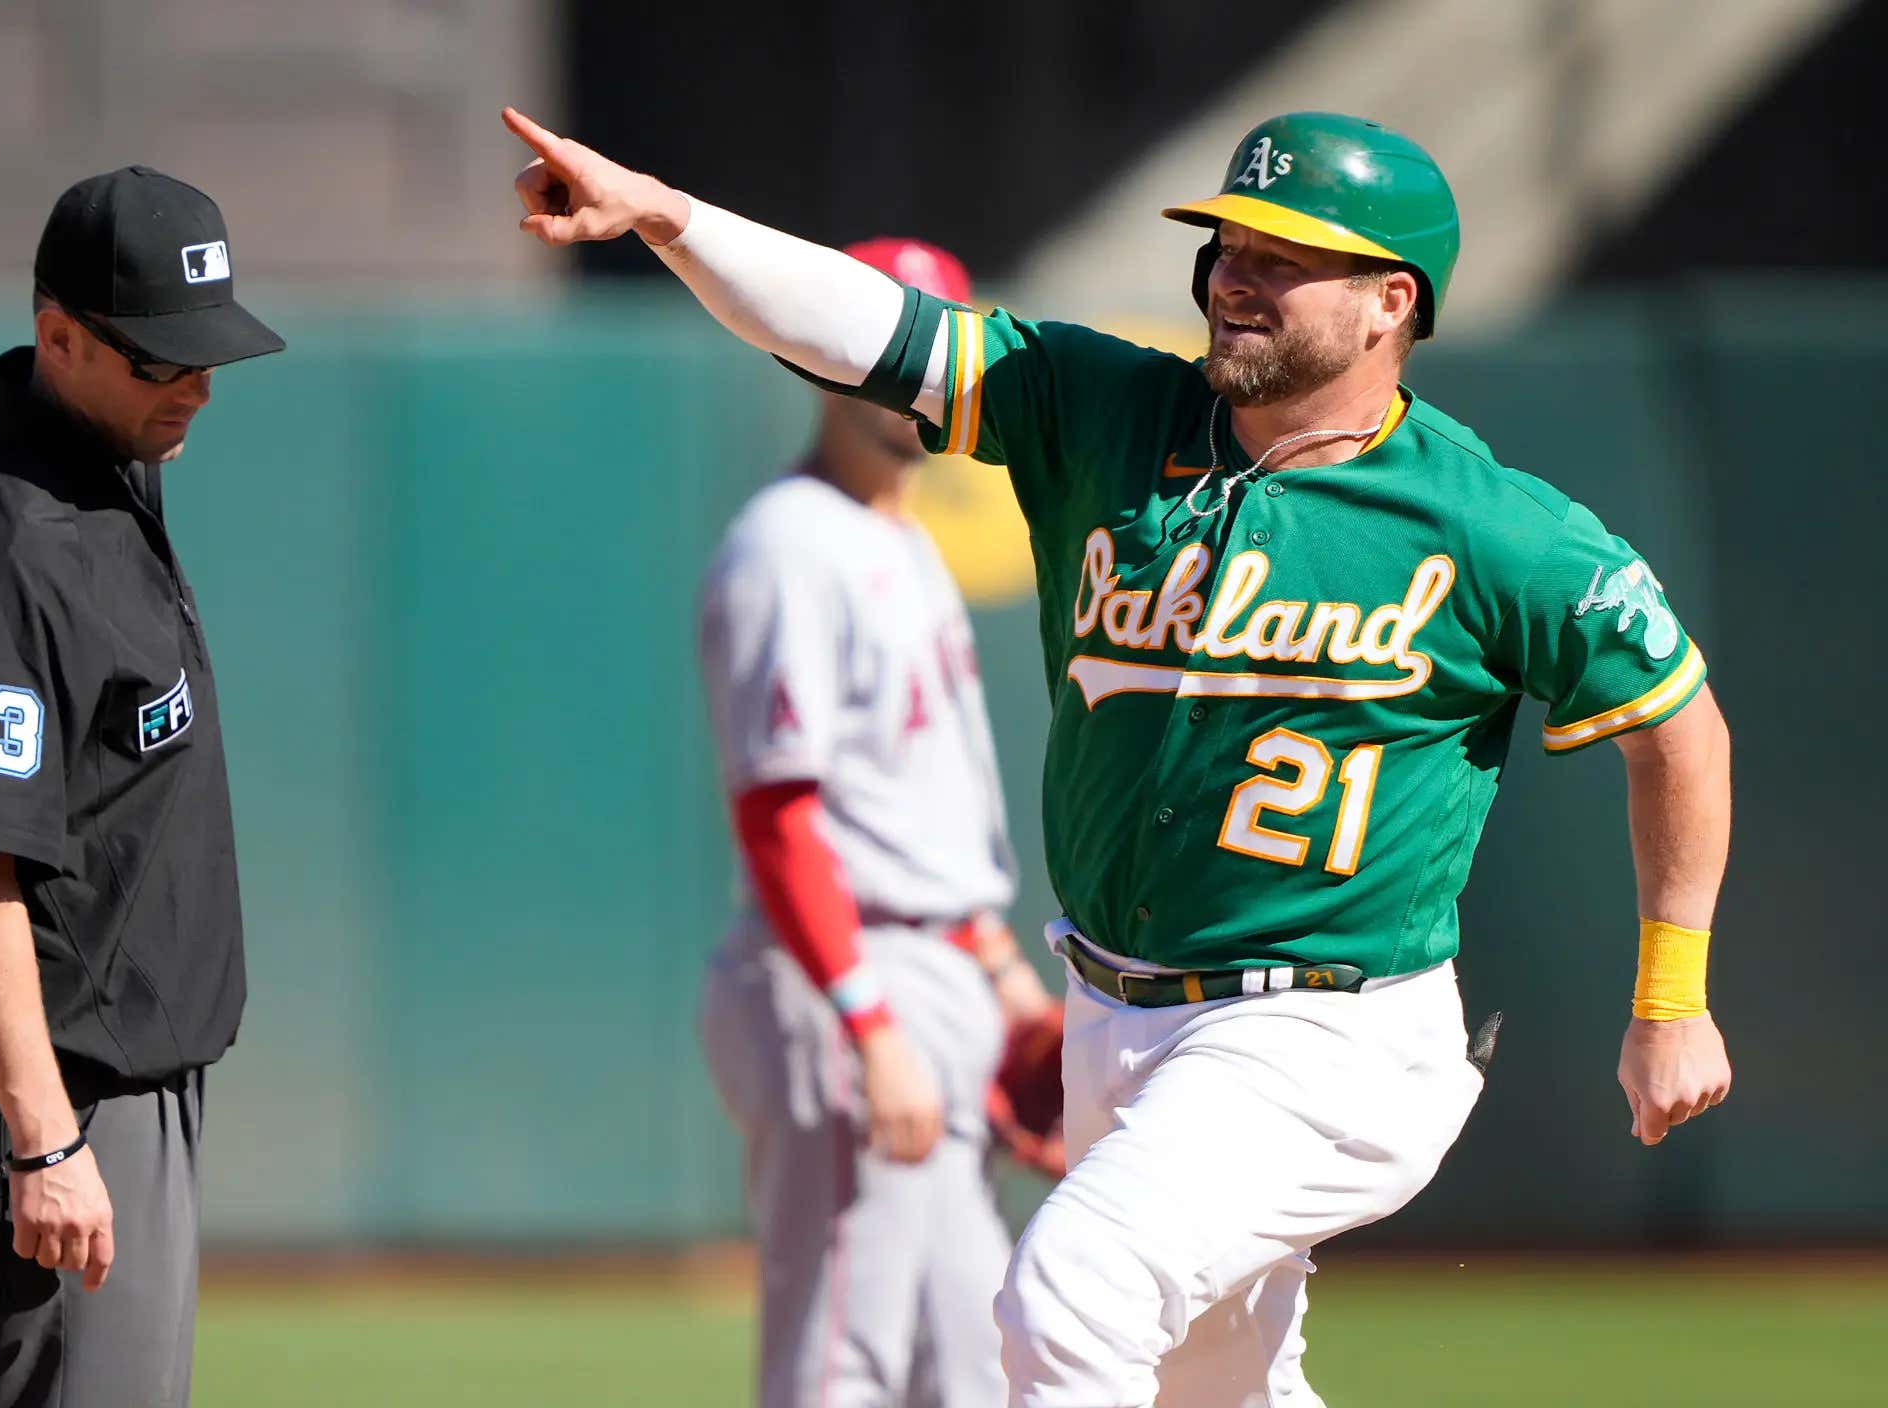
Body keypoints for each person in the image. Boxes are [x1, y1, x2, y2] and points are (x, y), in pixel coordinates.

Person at [500, 106, 1735, 1406]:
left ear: (1389, 303)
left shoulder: (1492, 526)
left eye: (1282, 254)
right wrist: (667, 216)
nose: (1234, 275)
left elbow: (1679, 728)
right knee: (1213, 1391)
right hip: (1116, 1011)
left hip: (1325, 1029)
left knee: (1065, 1302)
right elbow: (862, 329)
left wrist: (1673, 994)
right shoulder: (1099, 408)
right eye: (1227, 245)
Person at [0, 165, 284, 1408]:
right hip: (54, 1094)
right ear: (58, 339)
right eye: (161, 361)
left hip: (117, 1083)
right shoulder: (5, 552)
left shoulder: (103, 473)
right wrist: (44, 1137)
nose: (195, 385)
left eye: (207, 356)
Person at [697, 234, 1056, 1407]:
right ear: (817, 355)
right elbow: (776, 810)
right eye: (871, 344)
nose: (900, 376)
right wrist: (869, 1020)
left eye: (920, 344)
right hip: (847, 978)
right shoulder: (788, 545)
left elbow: (920, 808)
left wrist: (998, 975)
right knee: (837, 1356)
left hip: (936, 967)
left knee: (976, 1361)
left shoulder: (903, 537)